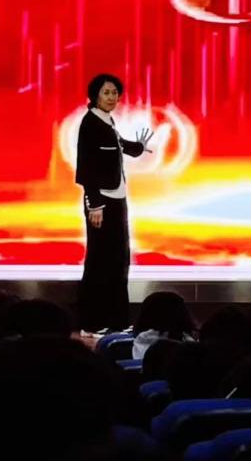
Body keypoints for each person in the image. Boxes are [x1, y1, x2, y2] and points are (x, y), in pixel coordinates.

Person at [75, 73, 152, 336]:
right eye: (106, 92)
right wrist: (94, 205)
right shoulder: (90, 123)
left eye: (115, 93)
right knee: (100, 262)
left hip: (117, 199)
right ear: (95, 95)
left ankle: (117, 320)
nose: (112, 97)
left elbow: (119, 145)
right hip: (102, 202)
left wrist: (139, 147)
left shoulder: (106, 121)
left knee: (119, 261)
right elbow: (86, 168)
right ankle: (92, 322)